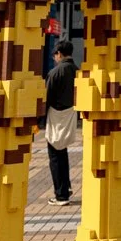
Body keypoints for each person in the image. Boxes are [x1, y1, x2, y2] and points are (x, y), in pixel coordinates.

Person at [44, 39, 77, 204]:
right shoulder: (77, 71)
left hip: (56, 117)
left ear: (59, 54)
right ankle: (66, 188)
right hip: (70, 115)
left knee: (55, 157)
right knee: (62, 153)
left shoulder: (55, 73)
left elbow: (46, 98)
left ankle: (61, 194)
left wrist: (39, 121)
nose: (54, 58)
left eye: (54, 55)